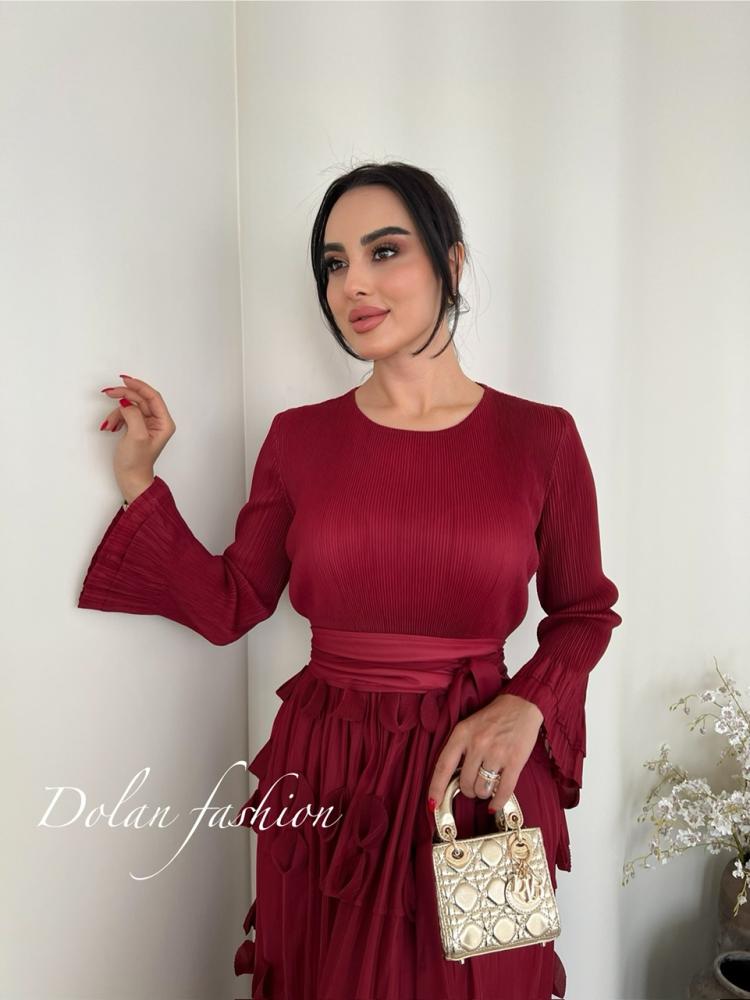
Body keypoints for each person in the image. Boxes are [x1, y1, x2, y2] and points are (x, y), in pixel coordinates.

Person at [77, 161, 622, 1000]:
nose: (352, 284)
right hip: (325, 780)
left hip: (477, 778)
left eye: (384, 251)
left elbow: (584, 611)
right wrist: (140, 480)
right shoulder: (299, 440)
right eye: (334, 263)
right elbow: (232, 604)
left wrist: (528, 705)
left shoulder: (541, 438)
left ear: (451, 263)